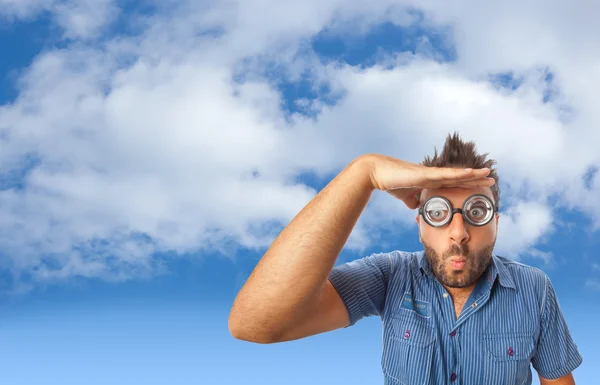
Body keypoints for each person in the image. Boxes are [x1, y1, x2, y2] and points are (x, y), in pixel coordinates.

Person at [228, 132, 583, 385]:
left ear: (496, 223)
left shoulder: (533, 288)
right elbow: (254, 324)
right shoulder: (389, 276)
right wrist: (363, 174)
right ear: (420, 224)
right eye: (438, 212)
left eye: (476, 210)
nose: (458, 232)